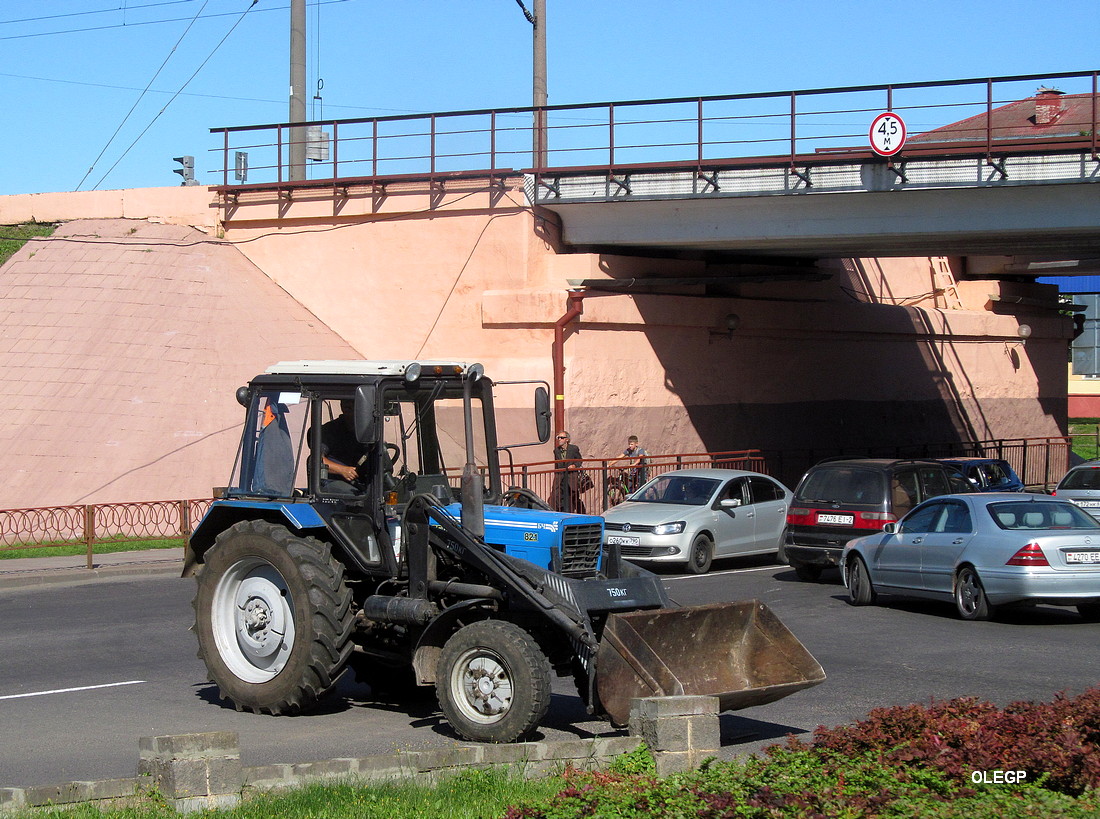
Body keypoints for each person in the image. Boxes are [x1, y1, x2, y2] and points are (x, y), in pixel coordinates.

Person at [319, 400, 370, 494]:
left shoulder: (369, 430)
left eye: (356, 408)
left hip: (362, 480)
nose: (353, 412)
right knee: (357, 496)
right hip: (334, 482)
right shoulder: (330, 430)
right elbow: (317, 460)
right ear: (343, 407)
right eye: (349, 408)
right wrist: (342, 470)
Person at [550, 431, 584, 513]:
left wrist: (574, 466)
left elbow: (579, 460)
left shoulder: (573, 449)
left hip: (571, 475)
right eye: (558, 438)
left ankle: (577, 512)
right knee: (557, 493)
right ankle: (561, 511)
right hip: (560, 475)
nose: (559, 439)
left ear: (567, 440)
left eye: (562, 438)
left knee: (573, 495)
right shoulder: (556, 451)